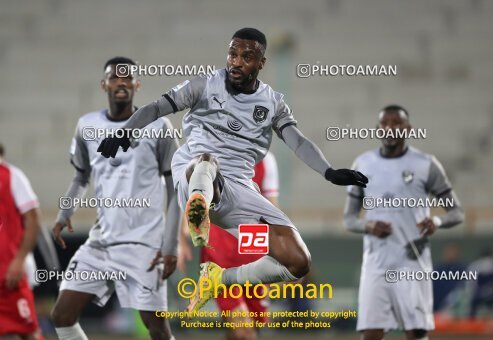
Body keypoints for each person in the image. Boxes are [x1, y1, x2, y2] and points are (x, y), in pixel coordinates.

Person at [98, 28, 368, 313]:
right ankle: (198, 206)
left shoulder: (273, 103)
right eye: (232, 54)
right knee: (206, 161)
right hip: (192, 172)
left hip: (237, 191)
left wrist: (329, 172)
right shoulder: (203, 85)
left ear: (261, 63)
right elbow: (155, 108)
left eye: (246, 56)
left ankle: (218, 279)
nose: (236, 62)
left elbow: (297, 141)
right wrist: (125, 133)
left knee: (298, 260)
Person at [50, 57, 182, 340]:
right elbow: (81, 176)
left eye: (127, 77)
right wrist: (64, 214)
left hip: (144, 245)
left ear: (137, 84)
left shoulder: (159, 126)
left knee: (157, 328)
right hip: (102, 243)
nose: (121, 82)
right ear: (104, 84)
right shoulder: (87, 125)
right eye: (114, 77)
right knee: (62, 315)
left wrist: (170, 245)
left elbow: (175, 189)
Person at [343, 105, 465, 340]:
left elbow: (457, 212)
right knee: (370, 333)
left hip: (412, 263)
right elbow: (349, 219)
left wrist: (437, 221)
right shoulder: (363, 165)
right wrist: (369, 226)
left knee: (416, 332)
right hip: (376, 264)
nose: (390, 128)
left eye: (396, 123)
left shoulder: (426, 164)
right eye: (385, 123)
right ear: (378, 129)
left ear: (408, 128)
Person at [178, 150, 279, 340]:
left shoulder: (266, 161)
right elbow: (191, 200)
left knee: (250, 329)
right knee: (245, 331)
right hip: (219, 257)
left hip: (253, 249)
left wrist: (283, 250)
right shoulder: (204, 156)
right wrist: (182, 239)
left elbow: (272, 210)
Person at [0, 143, 44, 340]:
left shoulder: (11, 176)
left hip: (8, 271)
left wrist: (19, 260)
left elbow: (34, 218)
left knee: (27, 329)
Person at [467, 248, 493, 318]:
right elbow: (470, 283)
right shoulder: (475, 266)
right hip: (478, 295)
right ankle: (471, 322)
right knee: (473, 305)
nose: (487, 261)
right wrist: (478, 292)